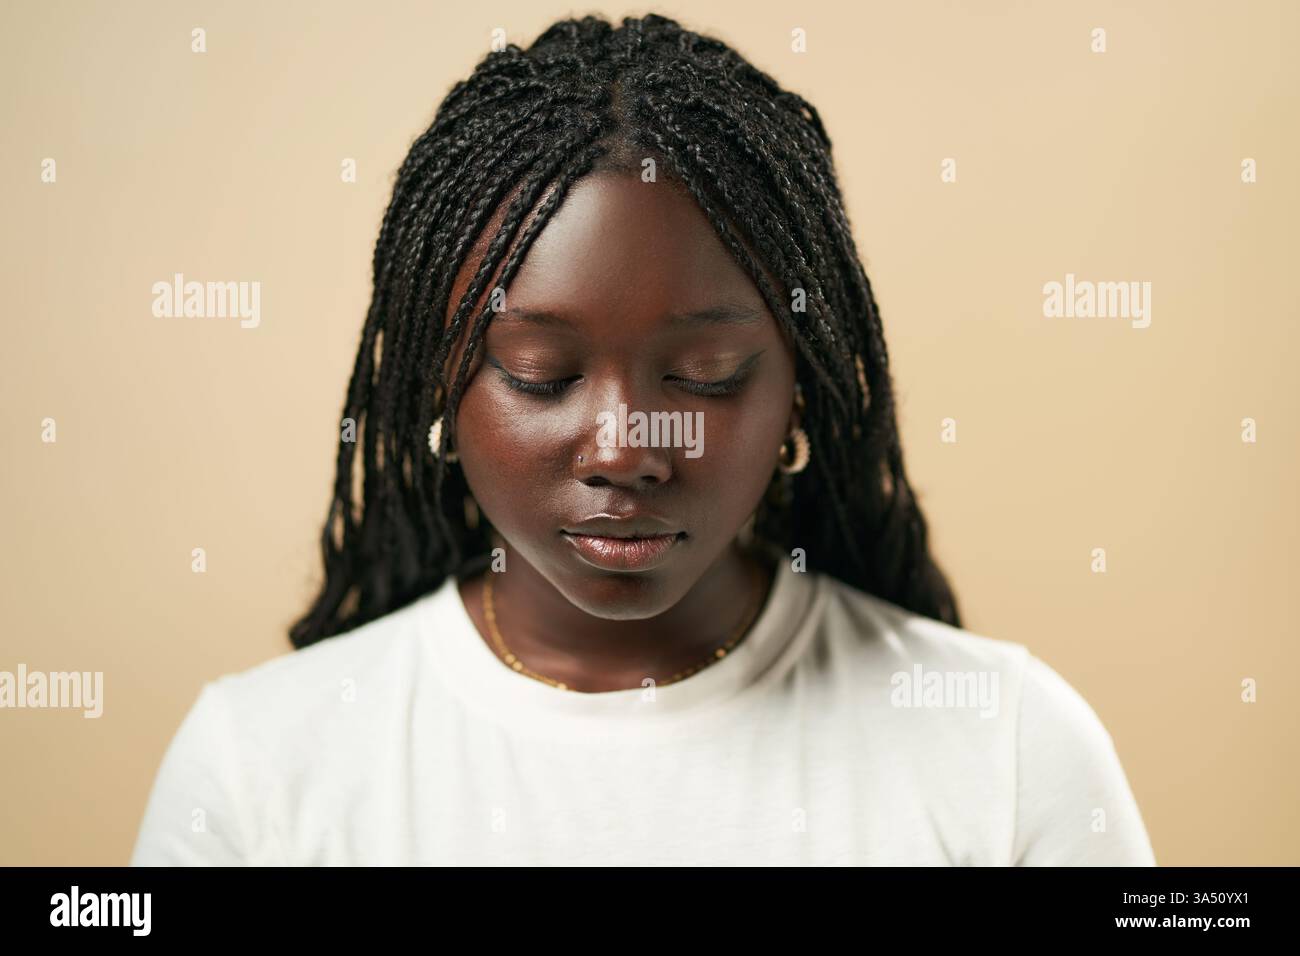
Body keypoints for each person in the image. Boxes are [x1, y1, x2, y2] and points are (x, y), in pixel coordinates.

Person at [130, 13, 1155, 866]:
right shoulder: (255, 768)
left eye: (706, 374)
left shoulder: (1010, 748)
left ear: (798, 384)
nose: (625, 446)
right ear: (440, 381)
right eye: (540, 371)